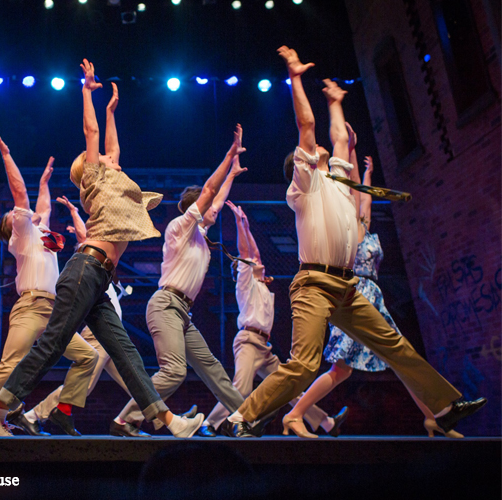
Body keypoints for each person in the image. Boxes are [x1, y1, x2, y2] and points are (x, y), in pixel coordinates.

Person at [226, 47, 485, 438]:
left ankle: (444, 408)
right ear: (305, 162)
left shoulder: (338, 184)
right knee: (304, 364)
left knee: (396, 346)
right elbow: (306, 126)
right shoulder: (305, 186)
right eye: (317, 153)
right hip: (313, 284)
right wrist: (295, 78)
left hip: (346, 286)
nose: (328, 151)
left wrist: (335, 104)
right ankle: (241, 418)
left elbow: (339, 141)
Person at [0, 60, 204, 438]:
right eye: (102, 157)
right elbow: (92, 131)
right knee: (52, 344)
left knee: (125, 352)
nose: (112, 157)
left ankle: (169, 421)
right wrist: (86, 92)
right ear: (91, 166)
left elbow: (111, 143)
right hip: (85, 269)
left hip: (98, 278)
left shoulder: (112, 175)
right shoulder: (96, 180)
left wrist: (113, 110)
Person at [282, 149, 462, 438]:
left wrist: (367, 173)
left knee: (402, 359)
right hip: (353, 293)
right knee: (342, 368)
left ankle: (434, 418)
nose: (361, 207)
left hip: (373, 297)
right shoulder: (345, 225)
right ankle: (295, 413)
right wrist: (350, 155)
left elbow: (364, 195)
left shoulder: (365, 226)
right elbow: (354, 191)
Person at [114, 123, 251, 438]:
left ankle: (245, 418)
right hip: (165, 305)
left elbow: (214, 201)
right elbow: (208, 194)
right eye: (206, 211)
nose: (213, 213)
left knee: (212, 368)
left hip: (182, 312)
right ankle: (125, 419)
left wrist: (232, 174)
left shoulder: (200, 237)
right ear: (194, 210)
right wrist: (230, 154)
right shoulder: (179, 227)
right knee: (174, 371)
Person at [0, 131, 98, 437]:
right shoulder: (20, 233)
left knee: (88, 357)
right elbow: (20, 195)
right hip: (30, 307)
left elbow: (41, 209)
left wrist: (44, 183)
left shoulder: (41, 232)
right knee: (10, 364)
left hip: (55, 312)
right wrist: (6, 155)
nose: (32, 213)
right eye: (19, 214)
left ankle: (58, 411)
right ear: (12, 224)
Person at [201, 190, 345, 438]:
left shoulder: (260, 284)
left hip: (263, 346)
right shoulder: (245, 280)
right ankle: (210, 425)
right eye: (254, 262)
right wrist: (239, 224)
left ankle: (325, 423)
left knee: (288, 387)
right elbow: (247, 254)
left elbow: (254, 254)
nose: (259, 261)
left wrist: (247, 226)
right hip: (247, 342)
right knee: (241, 388)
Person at [15, 196, 138, 436]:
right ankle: (33, 415)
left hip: (111, 334)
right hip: (99, 333)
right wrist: (73, 210)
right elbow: (84, 237)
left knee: (135, 380)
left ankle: (143, 418)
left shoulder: (105, 270)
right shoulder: (88, 258)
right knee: (85, 384)